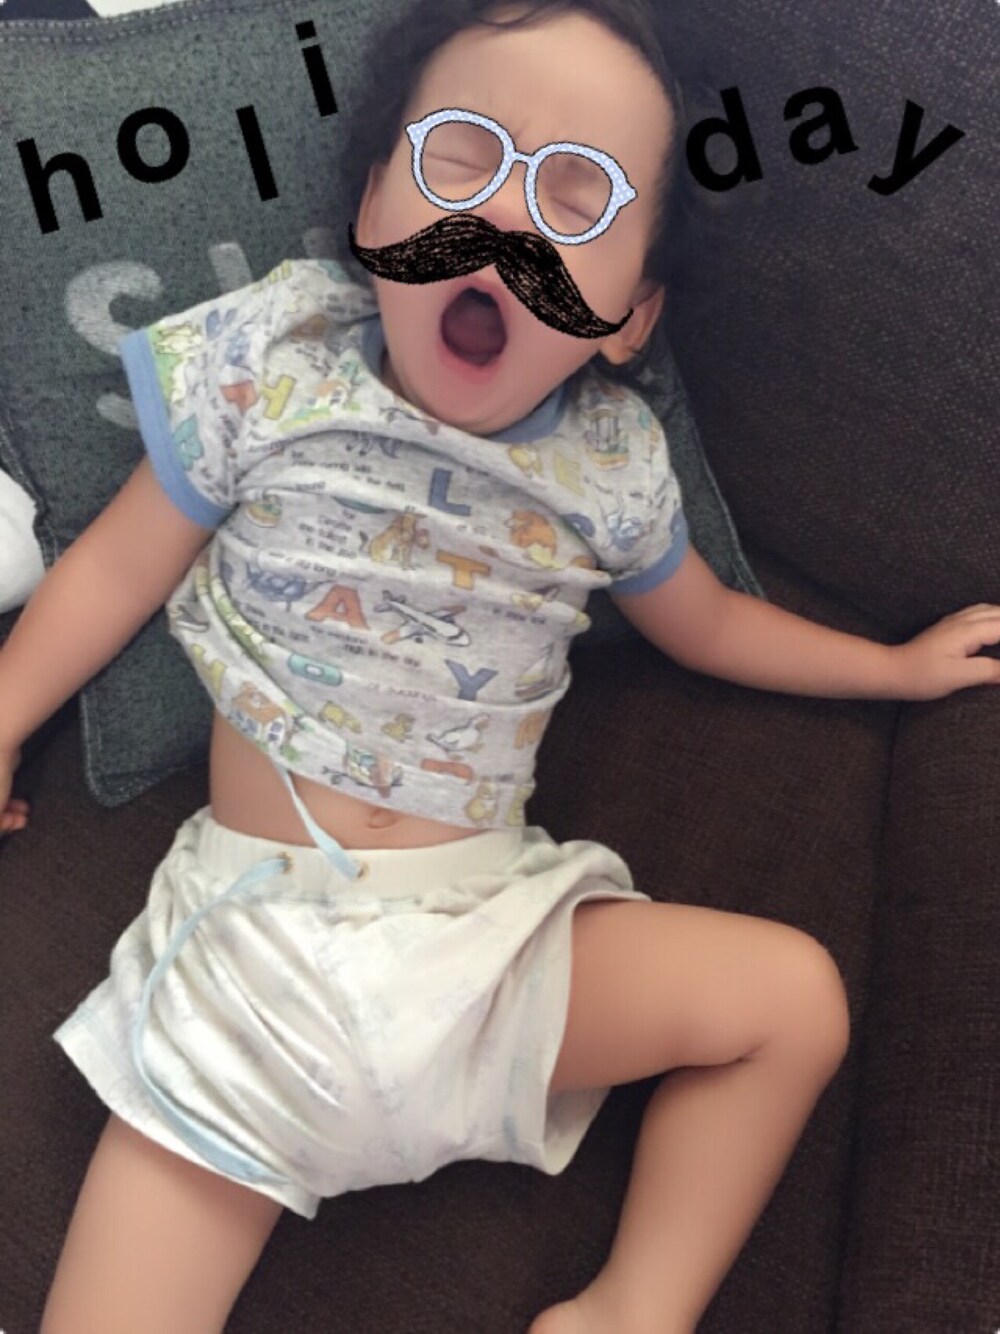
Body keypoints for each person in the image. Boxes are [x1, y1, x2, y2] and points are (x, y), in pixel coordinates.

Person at [2, 1, 998, 1331]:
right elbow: (119, 567)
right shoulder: (275, 359)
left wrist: (894, 668)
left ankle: (632, 1309)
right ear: (374, 205)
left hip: (491, 953)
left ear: (630, 318)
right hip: (250, 975)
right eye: (464, 159)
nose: (507, 220)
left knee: (796, 1003)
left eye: (578, 199)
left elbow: (707, 621)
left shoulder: (610, 461)